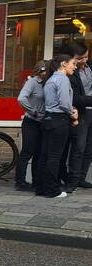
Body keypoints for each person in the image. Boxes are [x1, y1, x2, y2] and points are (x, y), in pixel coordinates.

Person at [36, 54, 79, 198]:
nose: (75, 66)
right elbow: (64, 102)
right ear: (63, 64)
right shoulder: (62, 79)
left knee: (45, 156)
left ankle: (41, 188)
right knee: (54, 157)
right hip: (59, 120)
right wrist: (72, 113)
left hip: (48, 119)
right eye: (73, 63)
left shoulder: (50, 79)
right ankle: (52, 190)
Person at [63, 41, 92, 192]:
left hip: (91, 112)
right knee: (78, 148)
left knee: (89, 148)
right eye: (81, 58)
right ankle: (72, 181)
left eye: (86, 57)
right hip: (79, 112)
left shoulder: (89, 66)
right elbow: (74, 98)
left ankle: (81, 178)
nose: (84, 60)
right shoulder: (70, 72)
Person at [16, 60, 49, 191]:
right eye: (45, 71)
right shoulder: (33, 82)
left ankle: (36, 181)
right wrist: (33, 111)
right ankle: (20, 182)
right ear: (39, 71)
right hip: (31, 122)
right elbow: (21, 98)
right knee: (27, 152)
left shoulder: (48, 83)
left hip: (43, 122)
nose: (47, 73)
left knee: (39, 153)